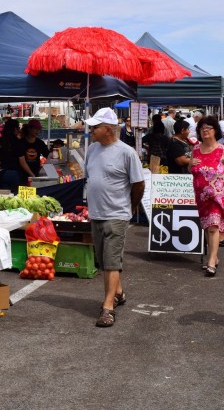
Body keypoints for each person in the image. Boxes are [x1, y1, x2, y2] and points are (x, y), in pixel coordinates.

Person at [84, 107, 145, 328]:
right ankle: (118, 292)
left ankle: (108, 308)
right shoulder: (92, 149)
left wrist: (131, 207)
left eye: (95, 127)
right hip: (97, 213)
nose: (91, 130)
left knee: (111, 262)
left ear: (108, 129)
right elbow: (90, 177)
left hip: (117, 214)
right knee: (103, 260)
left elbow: (138, 184)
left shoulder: (126, 152)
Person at [189, 115, 224, 277]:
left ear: (215, 131)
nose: (205, 131)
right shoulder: (195, 150)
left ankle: (211, 262)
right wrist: (190, 164)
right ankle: (214, 258)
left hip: (219, 195)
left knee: (213, 227)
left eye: (208, 128)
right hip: (201, 196)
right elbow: (192, 170)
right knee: (207, 227)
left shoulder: (221, 150)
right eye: (202, 129)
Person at [15, 119, 49, 185]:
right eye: (35, 129)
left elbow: (48, 155)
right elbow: (22, 162)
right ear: (29, 129)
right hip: (23, 176)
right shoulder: (21, 143)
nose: (38, 131)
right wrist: (32, 176)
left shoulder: (40, 143)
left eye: (39, 129)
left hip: (36, 173)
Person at [0, 118, 21, 193]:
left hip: (3, 173)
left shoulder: (0, 141)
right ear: (15, 129)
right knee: (15, 195)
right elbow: (21, 160)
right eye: (18, 128)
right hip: (15, 173)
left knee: (4, 195)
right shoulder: (17, 142)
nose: (19, 130)